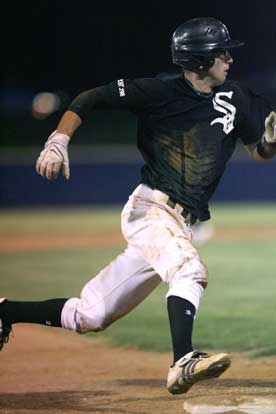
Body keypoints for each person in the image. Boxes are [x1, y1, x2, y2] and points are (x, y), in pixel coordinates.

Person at [1, 17, 276, 395]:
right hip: (151, 210)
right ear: (198, 60)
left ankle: (5, 311)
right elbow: (90, 97)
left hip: (181, 222)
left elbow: (258, 151)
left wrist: (271, 143)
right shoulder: (159, 93)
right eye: (220, 52)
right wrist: (58, 140)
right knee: (189, 269)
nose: (229, 58)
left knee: (90, 315)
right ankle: (182, 360)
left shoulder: (238, 97)